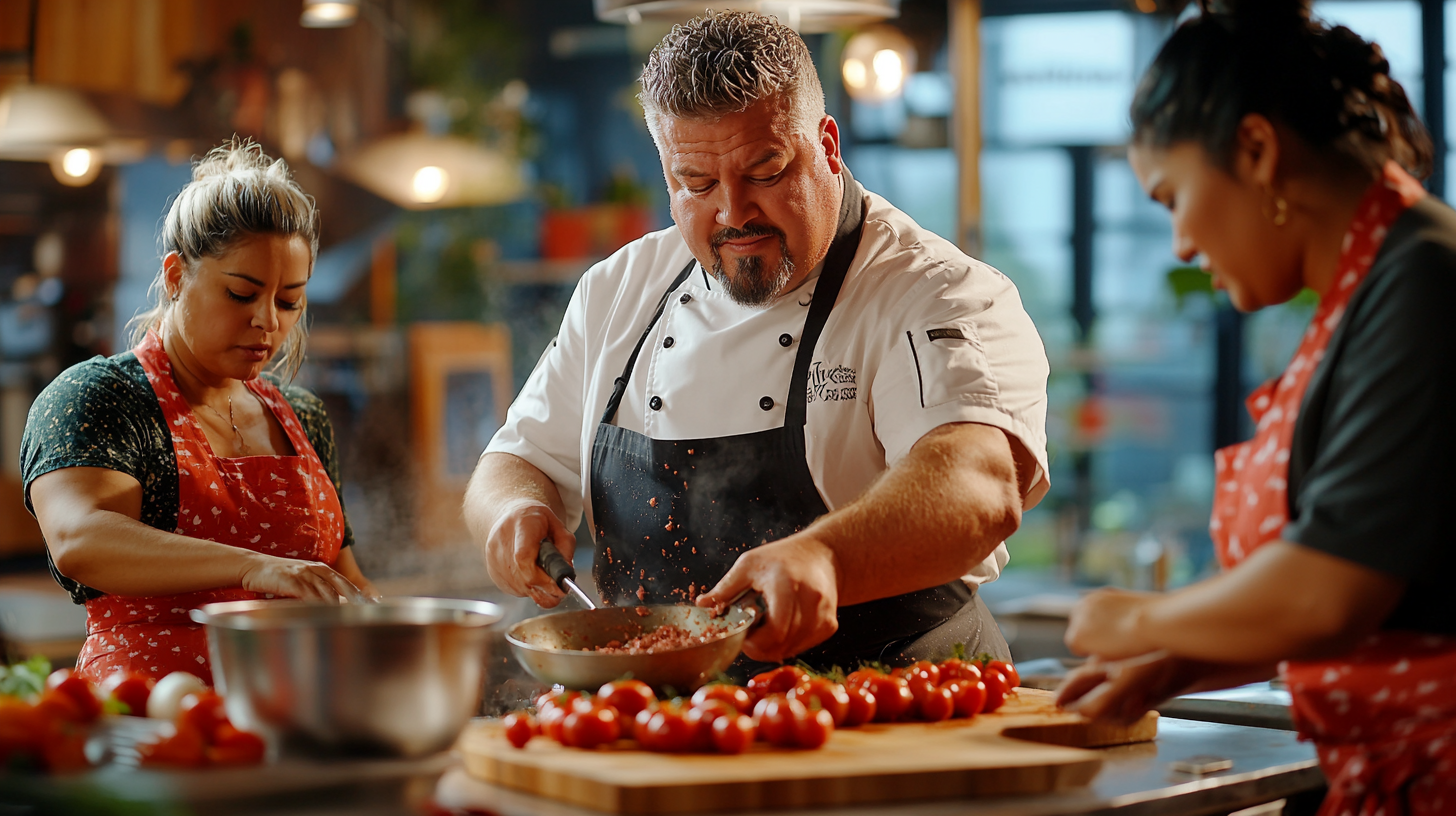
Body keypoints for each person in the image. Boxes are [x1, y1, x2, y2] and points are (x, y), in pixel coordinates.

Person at [466, 11, 1049, 671]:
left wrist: (824, 555)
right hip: (662, 709)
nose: (733, 212)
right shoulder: (619, 288)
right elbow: (516, 460)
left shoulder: (934, 290)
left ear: (827, 146)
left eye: (766, 172)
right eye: (698, 184)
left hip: (891, 700)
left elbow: (978, 486)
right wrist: (514, 509)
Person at [1055, 2, 1456, 812]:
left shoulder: (1423, 281)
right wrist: (1179, 665)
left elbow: (1325, 595)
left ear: (1257, 149)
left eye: (1172, 198)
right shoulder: (1370, 288)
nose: (1181, 246)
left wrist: (1141, 620)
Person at [22, 140, 375, 684]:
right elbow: (80, 540)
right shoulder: (102, 398)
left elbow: (342, 580)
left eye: (288, 302)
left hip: (302, 712)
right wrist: (256, 566)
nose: (266, 322)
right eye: (241, 294)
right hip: (153, 722)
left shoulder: (302, 415)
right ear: (175, 276)